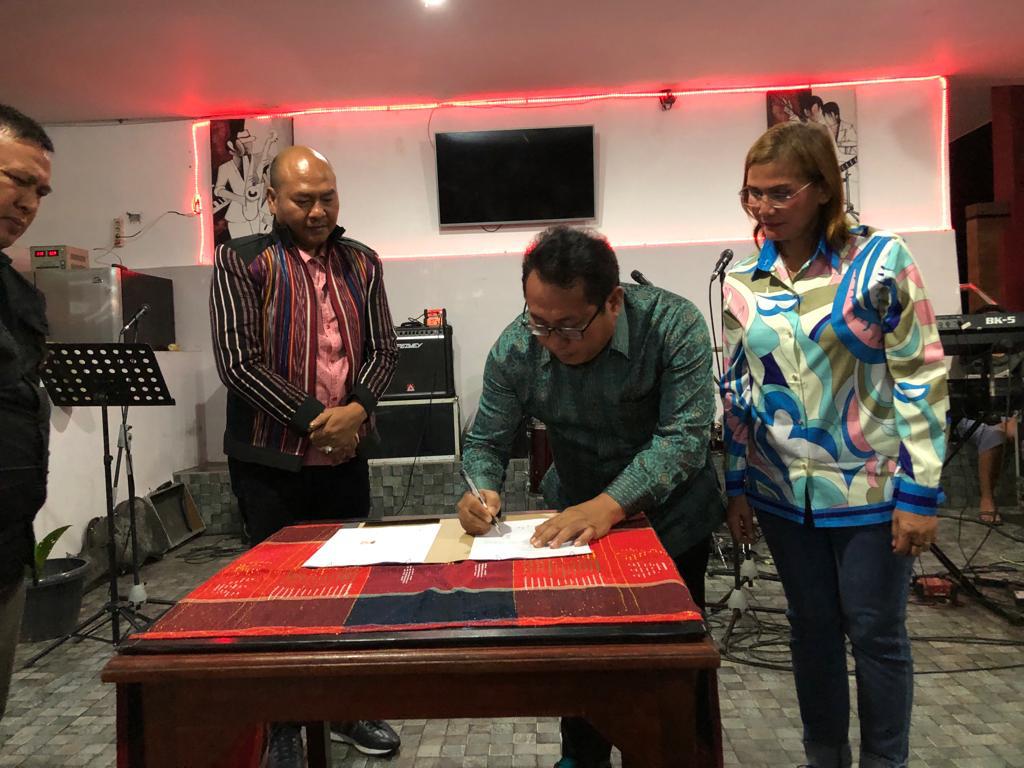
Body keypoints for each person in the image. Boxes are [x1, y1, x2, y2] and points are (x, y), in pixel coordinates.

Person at [721, 121, 948, 768]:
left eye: (780, 193)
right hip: (780, 491)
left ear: (823, 188)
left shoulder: (881, 261)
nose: (763, 207)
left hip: (873, 488)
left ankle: (884, 761)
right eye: (752, 193)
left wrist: (921, 493)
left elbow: (921, 375)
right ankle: (824, 758)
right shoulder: (745, 281)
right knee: (811, 631)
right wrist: (736, 483)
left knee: (875, 633)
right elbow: (740, 387)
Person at [456, 225, 724, 768]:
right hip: (575, 520)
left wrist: (610, 505)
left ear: (613, 301)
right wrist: (482, 488)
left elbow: (684, 439)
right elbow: (485, 440)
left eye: (570, 326)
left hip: (671, 519)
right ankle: (581, 758)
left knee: (672, 665)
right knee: (581, 655)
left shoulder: (673, 325)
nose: (553, 340)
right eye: (540, 322)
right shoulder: (518, 346)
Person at [210, 145, 400, 764]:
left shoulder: (363, 262)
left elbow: (385, 350)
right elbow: (238, 363)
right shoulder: (243, 260)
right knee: (279, 594)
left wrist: (357, 411)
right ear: (272, 200)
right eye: (303, 199)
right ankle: (285, 721)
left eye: (327, 197)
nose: (318, 210)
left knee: (348, 587)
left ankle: (345, 708)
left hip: (346, 456)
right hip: (271, 461)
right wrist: (318, 422)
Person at [0, 104, 53, 721]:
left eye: (40, 191)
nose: (29, 202)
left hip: (6, 548)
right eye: (18, 180)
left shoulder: (16, 289)